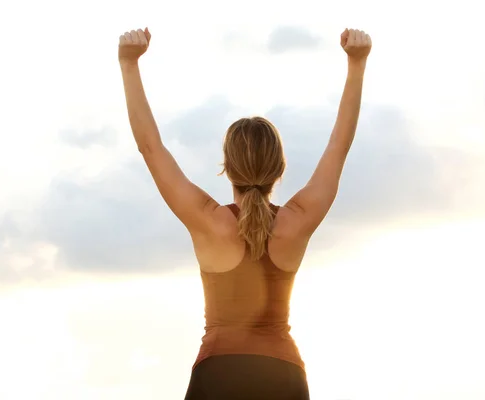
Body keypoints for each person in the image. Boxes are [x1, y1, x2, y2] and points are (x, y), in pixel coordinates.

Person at [118, 26, 372, 400]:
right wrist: (357, 64)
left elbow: (151, 148)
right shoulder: (297, 220)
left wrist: (128, 64)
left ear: (227, 166)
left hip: (218, 374)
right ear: (279, 167)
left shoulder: (209, 220)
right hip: (283, 377)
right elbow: (339, 145)